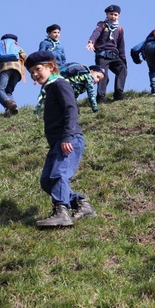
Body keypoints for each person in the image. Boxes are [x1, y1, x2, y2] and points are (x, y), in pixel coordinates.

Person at [25, 51, 96, 228]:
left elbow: (71, 110)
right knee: (47, 180)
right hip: (58, 142)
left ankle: (61, 212)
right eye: (31, 72)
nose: (34, 74)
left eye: (37, 69)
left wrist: (67, 137)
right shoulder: (50, 89)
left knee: (59, 174)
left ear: (50, 66)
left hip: (68, 139)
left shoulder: (60, 84)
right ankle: (81, 204)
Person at [86, 4, 127, 102]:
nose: (113, 16)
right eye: (111, 14)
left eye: (115, 15)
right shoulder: (102, 25)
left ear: (119, 16)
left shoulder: (119, 29)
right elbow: (95, 33)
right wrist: (91, 42)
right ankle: (100, 97)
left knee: (122, 69)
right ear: (107, 14)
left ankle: (118, 94)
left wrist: (124, 60)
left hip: (114, 55)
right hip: (102, 55)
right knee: (103, 76)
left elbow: (121, 46)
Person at [34, 64, 105, 116]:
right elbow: (91, 94)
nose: (98, 80)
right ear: (91, 71)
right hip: (64, 88)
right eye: (98, 76)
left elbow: (74, 94)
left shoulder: (81, 79)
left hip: (62, 87)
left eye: (99, 79)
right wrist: (95, 108)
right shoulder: (89, 77)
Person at [0, 33, 27, 117]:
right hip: (17, 72)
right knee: (8, 91)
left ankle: (9, 104)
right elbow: (26, 58)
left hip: (5, 69)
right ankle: (11, 110)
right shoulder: (18, 48)